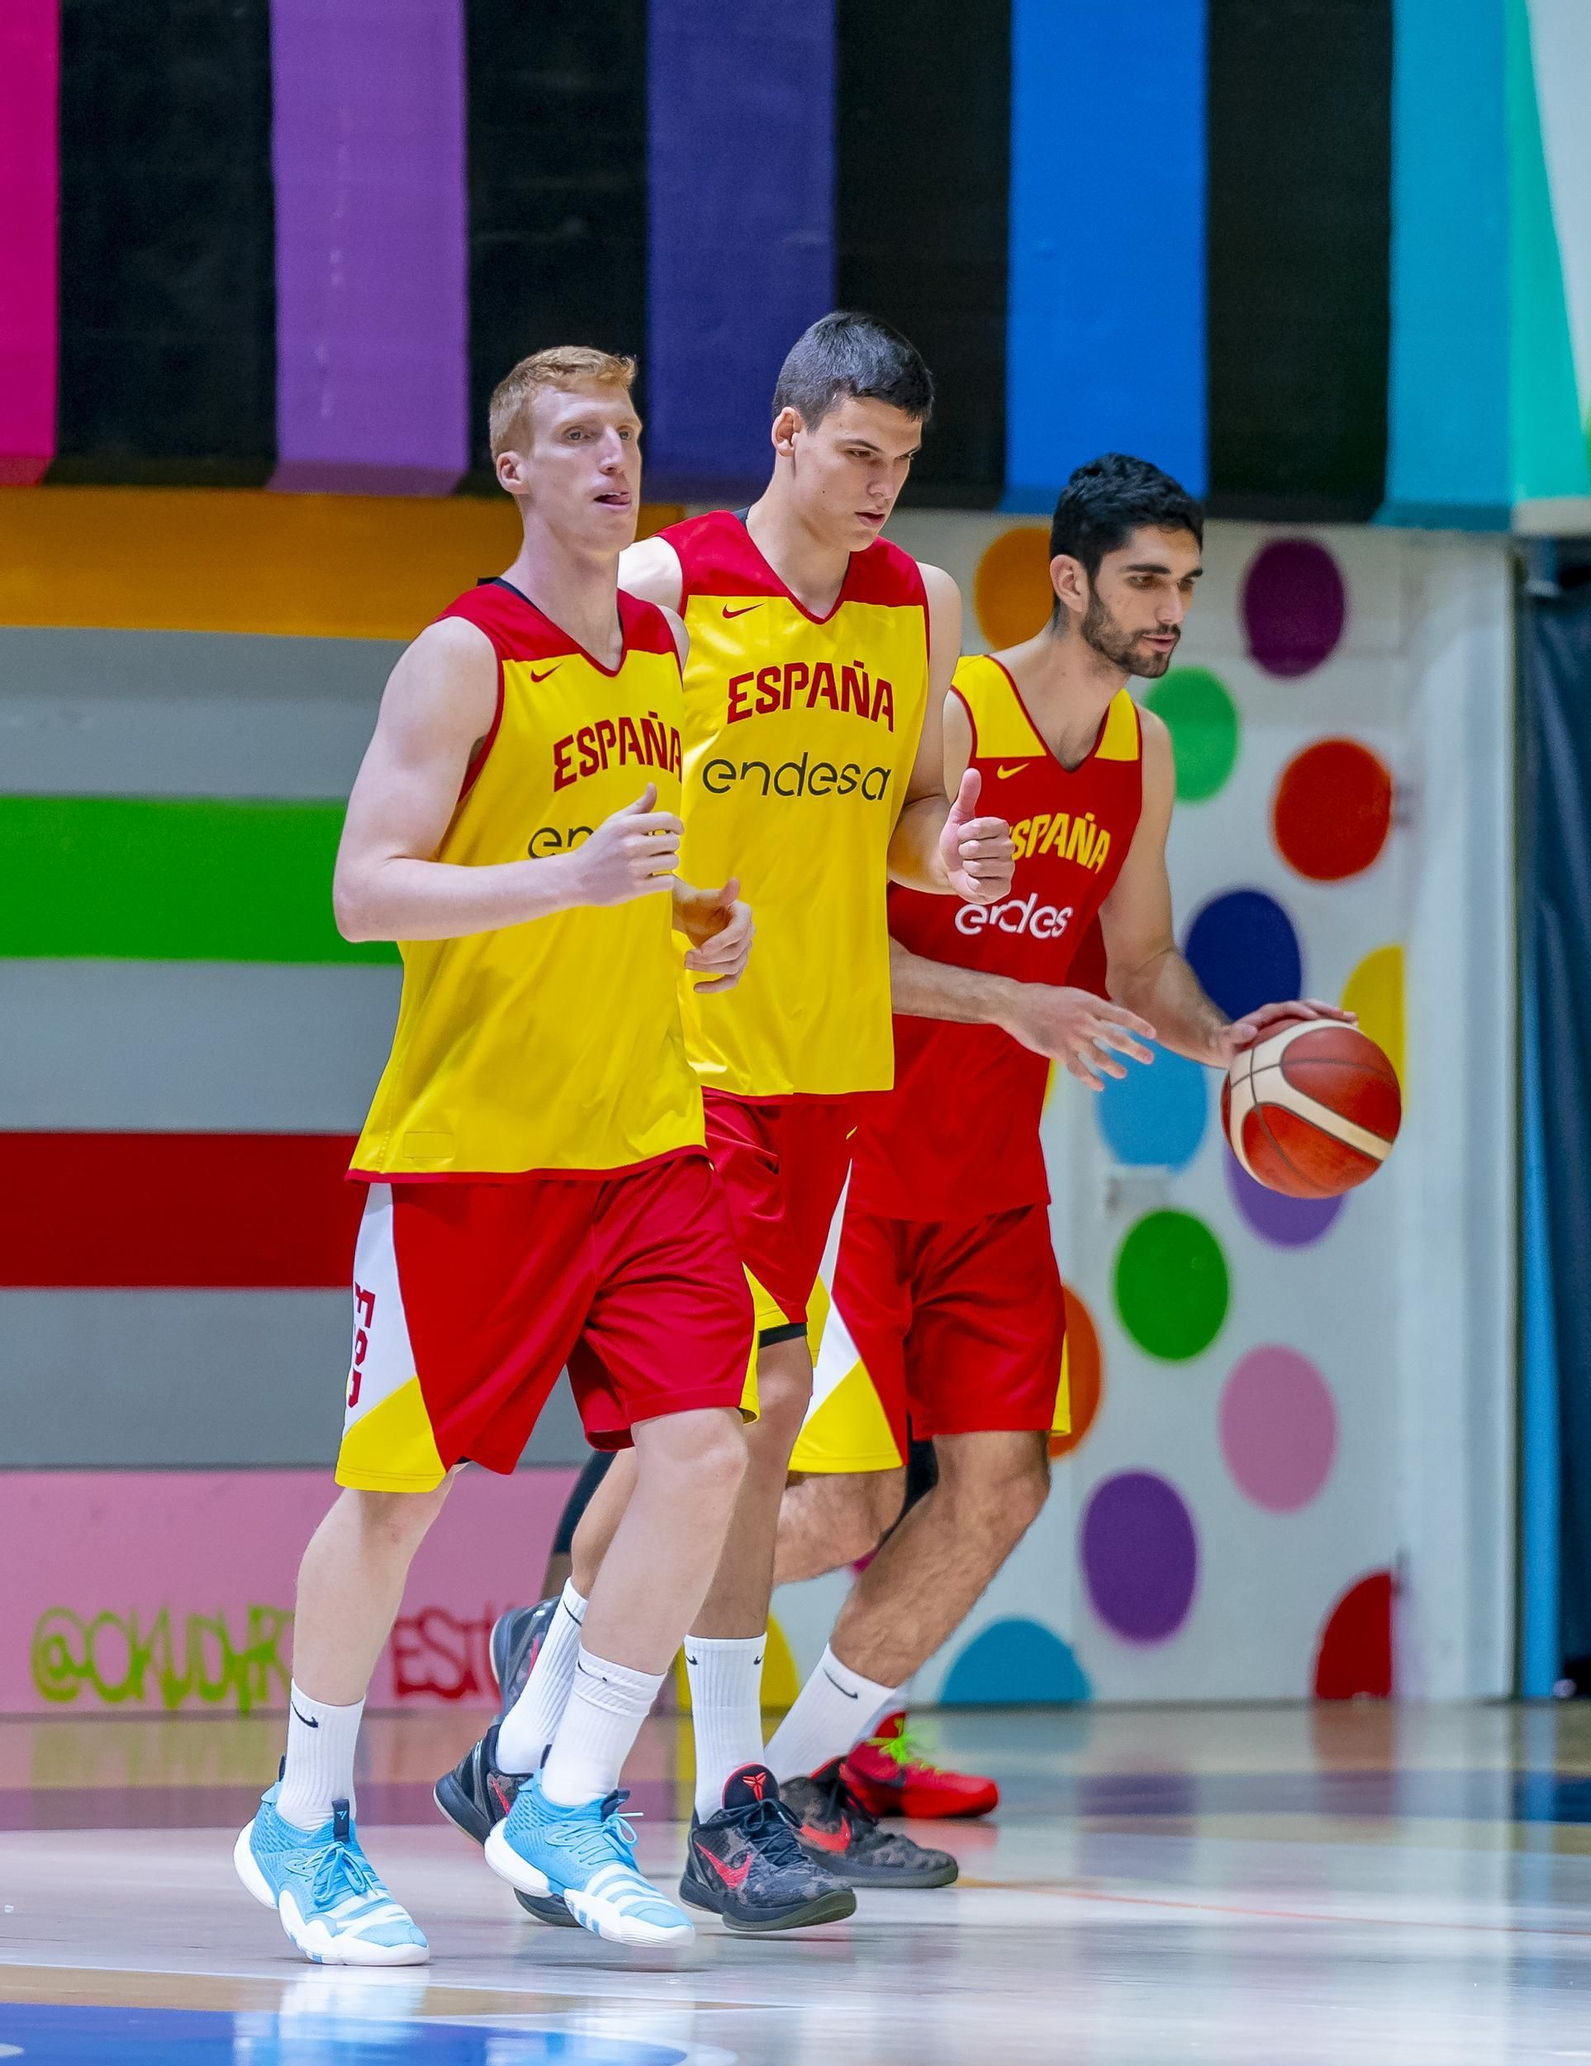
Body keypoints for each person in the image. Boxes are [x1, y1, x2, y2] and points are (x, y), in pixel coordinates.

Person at [460, 313, 1016, 1925]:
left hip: (836, 1066)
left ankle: (537, 1721)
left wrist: (951, 864)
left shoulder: (917, 606)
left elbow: (915, 819)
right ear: (783, 434)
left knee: (716, 1441)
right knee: (732, 1436)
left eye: (904, 466)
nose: (881, 492)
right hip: (685, 1068)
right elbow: (566, 785)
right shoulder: (668, 585)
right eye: (857, 456)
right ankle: (714, 1802)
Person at [234, 344, 783, 1962]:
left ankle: (565, 1800)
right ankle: (302, 1819)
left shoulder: (668, 650)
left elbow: (623, 879)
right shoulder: (461, 657)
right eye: (573, 436)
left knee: (706, 1448)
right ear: (516, 472)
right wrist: (577, 884)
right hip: (474, 1155)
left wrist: (698, 923)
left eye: (622, 430)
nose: (611, 456)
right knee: (391, 1503)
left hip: (646, 1141)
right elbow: (365, 891)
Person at [761, 455, 1357, 1811]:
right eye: (1150, 580)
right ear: (1072, 579)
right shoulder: (952, 716)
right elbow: (827, 948)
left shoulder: (1142, 756)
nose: (1172, 611)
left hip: (988, 1185)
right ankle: (573, 1634)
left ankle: (805, 1777)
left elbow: (1139, 964)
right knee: (844, 1507)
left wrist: (1236, 1046)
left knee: (1000, 1491)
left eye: (1189, 586)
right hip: (856, 1165)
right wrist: (1013, 1002)